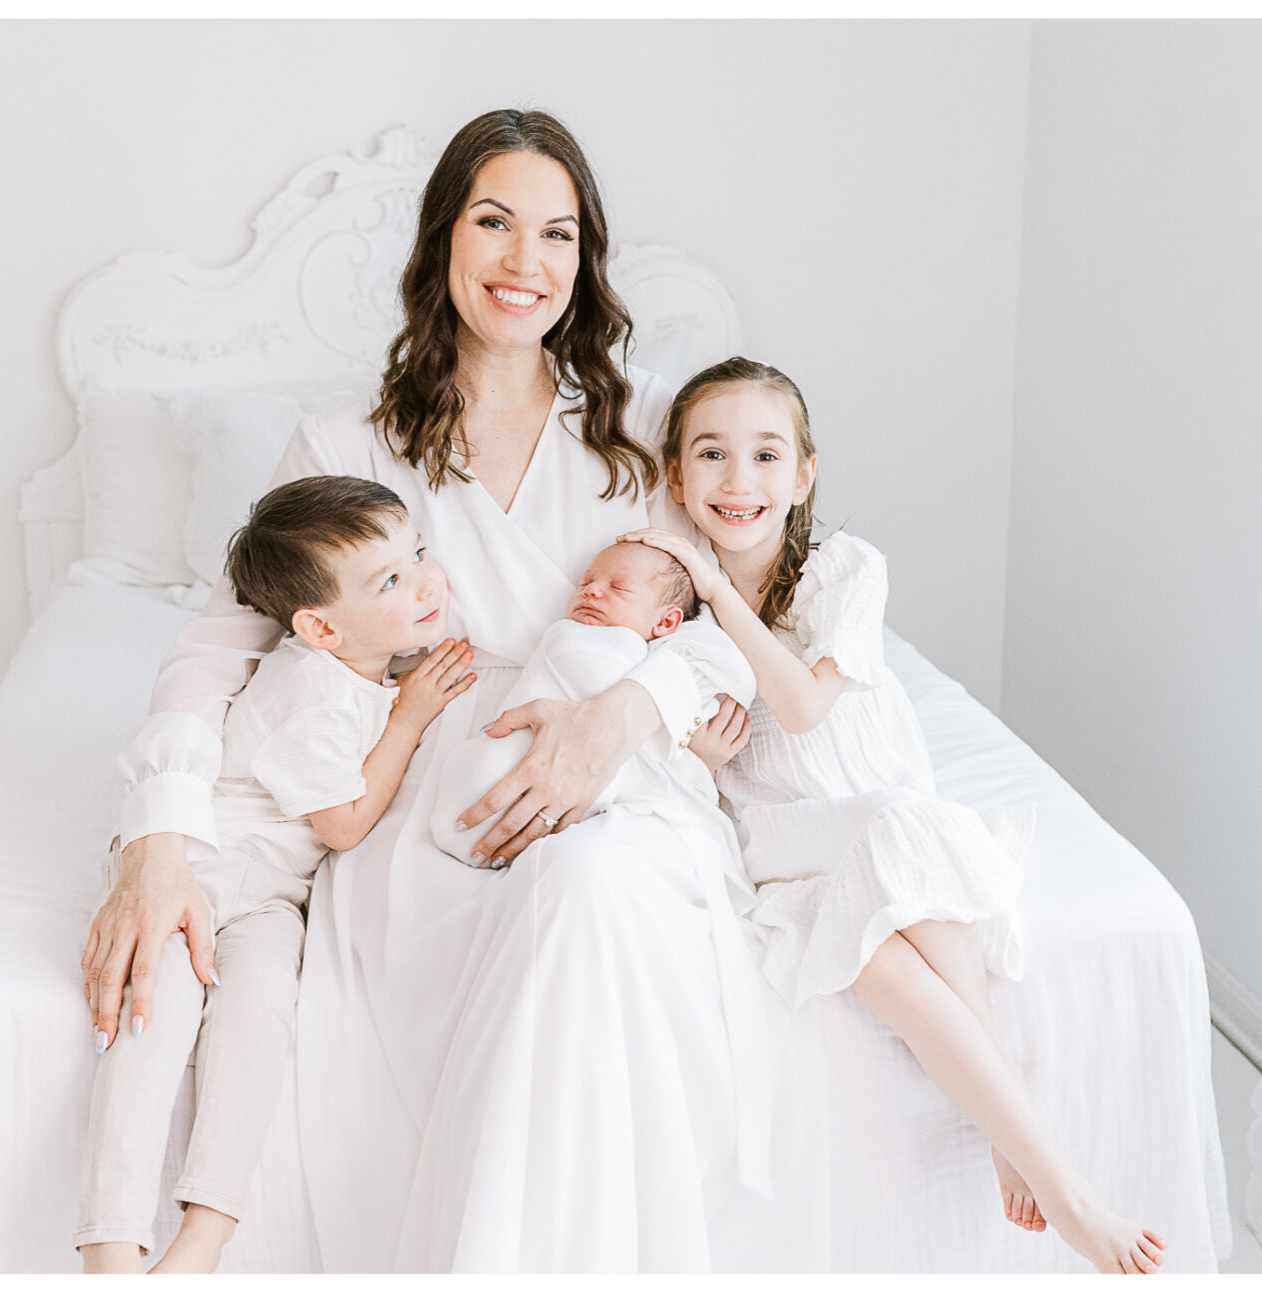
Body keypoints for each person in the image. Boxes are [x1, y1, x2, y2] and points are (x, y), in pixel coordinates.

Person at [81, 109, 826, 1272]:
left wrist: (623, 716)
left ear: (584, 265)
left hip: (616, 773)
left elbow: (718, 620)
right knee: (537, 899)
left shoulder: (637, 440)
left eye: (557, 235)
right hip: (433, 798)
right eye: (493, 223)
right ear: (441, 242)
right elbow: (223, 644)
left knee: (593, 885)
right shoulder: (347, 439)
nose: (525, 263)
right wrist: (160, 831)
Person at [623, 356, 1169, 1275]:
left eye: (765, 455)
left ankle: (1046, 1168)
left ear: (803, 475)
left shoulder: (844, 568)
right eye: (710, 454)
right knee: (878, 910)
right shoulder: (670, 595)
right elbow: (676, 734)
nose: (737, 479)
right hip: (785, 840)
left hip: (874, 800)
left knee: (888, 886)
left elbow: (799, 705)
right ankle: (1041, 1155)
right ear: (676, 476)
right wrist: (698, 748)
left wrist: (720, 595)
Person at [77, 477, 475, 1272]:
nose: (426, 580)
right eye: (391, 579)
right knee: (153, 1025)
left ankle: (206, 1235)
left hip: (269, 900)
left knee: (260, 1022)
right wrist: (410, 716)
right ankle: (111, 1248)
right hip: (207, 871)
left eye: (418, 554)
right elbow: (345, 822)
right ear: (320, 627)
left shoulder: (363, 660)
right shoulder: (311, 692)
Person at [429, 540, 722, 866]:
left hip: (545, 811)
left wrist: (702, 764)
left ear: (666, 623)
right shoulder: (569, 637)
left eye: (618, 587)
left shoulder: (648, 652)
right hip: (493, 777)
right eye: (586, 582)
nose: (591, 590)